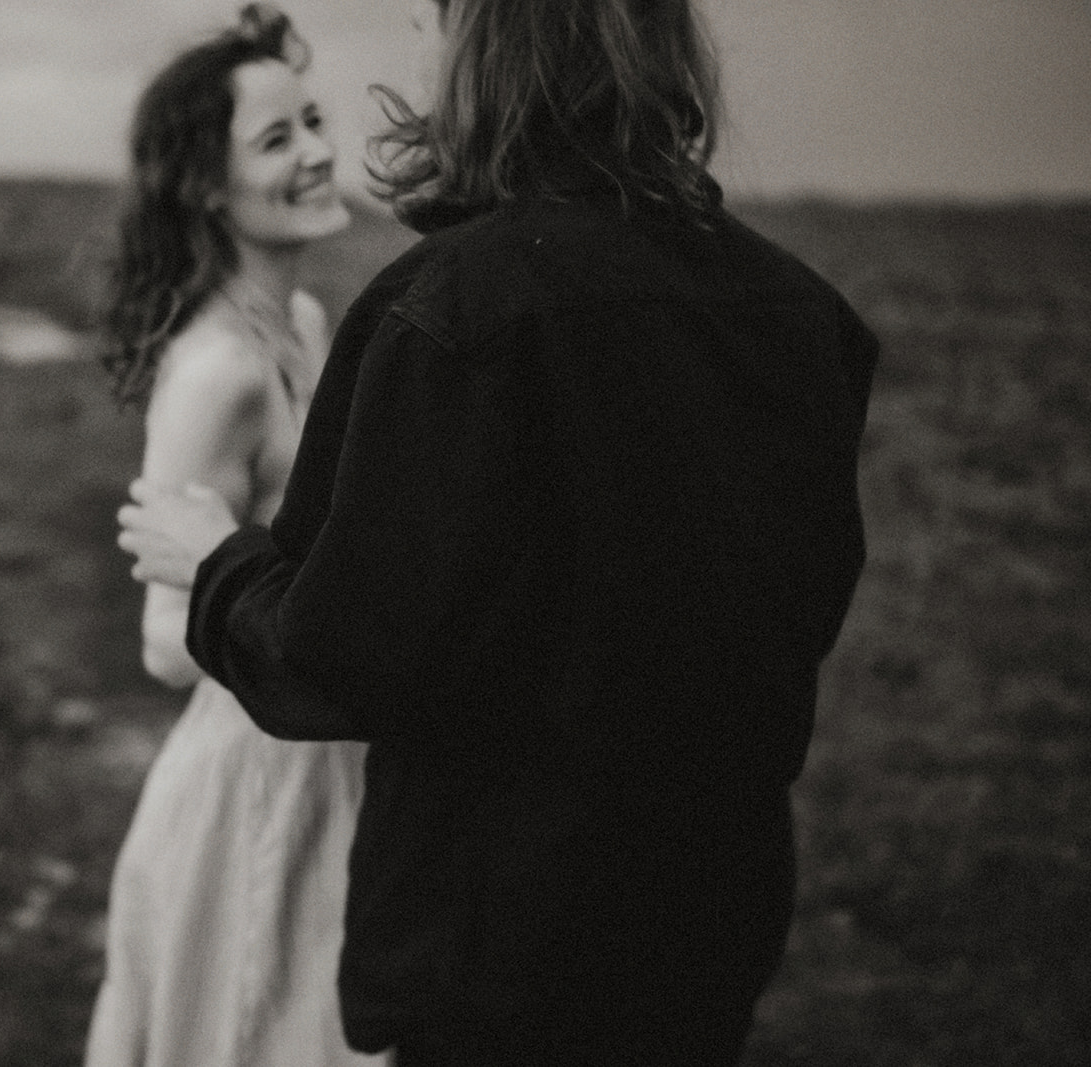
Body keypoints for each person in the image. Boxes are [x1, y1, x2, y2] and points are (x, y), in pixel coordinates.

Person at [115, 0, 880, 1063]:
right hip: (708, 917)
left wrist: (215, 566)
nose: (421, 50)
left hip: (504, 954)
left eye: (437, 21)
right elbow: (794, 608)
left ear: (495, 52)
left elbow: (349, 656)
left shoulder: (452, 313)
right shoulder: (803, 313)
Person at [83, 6, 391, 1066]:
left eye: (313, 120)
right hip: (258, 772)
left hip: (328, 737)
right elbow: (165, 641)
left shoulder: (300, 327)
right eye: (276, 139)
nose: (316, 153)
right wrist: (272, 596)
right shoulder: (216, 373)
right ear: (208, 189)